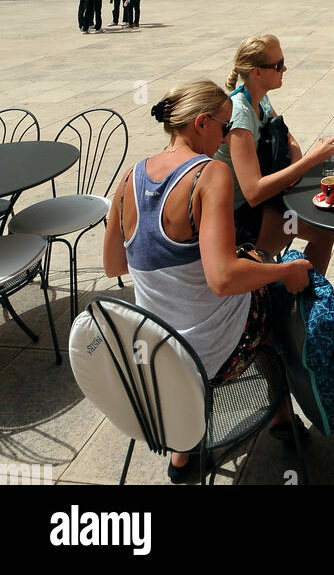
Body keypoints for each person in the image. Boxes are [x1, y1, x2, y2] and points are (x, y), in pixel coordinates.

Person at [103, 79, 311, 481]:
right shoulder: (210, 174)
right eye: (222, 126)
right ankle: (282, 415)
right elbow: (223, 278)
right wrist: (285, 270)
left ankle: (183, 456)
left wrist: (173, 259)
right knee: (273, 294)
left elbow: (113, 264)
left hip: (157, 350)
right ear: (200, 123)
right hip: (207, 351)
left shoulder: (129, 177)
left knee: (253, 269)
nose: (225, 137)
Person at [213, 33, 334, 274]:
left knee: (323, 210)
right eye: (278, 65)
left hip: (267, 201)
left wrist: (297, 167)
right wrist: (311, 160)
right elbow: (253, 192)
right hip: (240, 218)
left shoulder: (259, 98)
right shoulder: (240, 117)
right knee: (322, 228)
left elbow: (288, 137)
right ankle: (307, 291)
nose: (284, 68)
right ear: (257, 72)